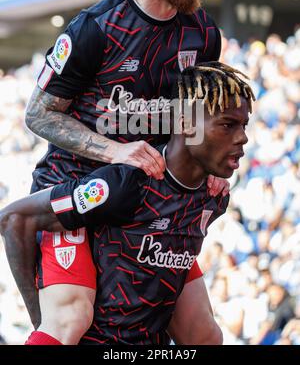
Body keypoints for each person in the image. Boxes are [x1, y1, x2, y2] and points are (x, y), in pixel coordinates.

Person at [13, 0, 228, 345]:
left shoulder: (203, 33)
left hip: (151, 199)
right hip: (78, 192)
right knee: (70, 319)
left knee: (203, 333)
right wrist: (115, 150)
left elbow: (195, 118)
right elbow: (37, 113)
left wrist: (207, 167)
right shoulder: (94, 29)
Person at [0, 62, 254, 345]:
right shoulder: (125, 185)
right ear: (186, 123)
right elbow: (14, 218)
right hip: (96, 339)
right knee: (67, 320)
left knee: (206, 337)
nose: (243, 137)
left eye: (243, 125)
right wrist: (39, 318)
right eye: (228, 125)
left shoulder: (215, 197)